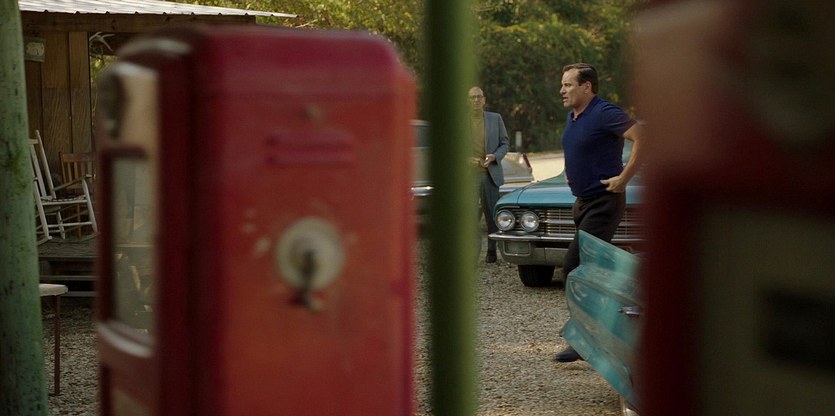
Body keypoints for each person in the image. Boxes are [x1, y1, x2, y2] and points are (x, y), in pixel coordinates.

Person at [554, 63, 642, 362]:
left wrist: (624, 178)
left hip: (604, 202)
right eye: (562, 84)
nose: (562, 90)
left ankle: (584, 338)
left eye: (568, 84)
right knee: (596, 270)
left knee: (574, 265)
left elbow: (642, 137)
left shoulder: (604, 112)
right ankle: (616, 325)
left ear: (587, 86)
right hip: (583, 202)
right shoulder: (574, 116)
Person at [469, 86, 510, 264]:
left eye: (479, 97)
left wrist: (495, 156)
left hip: (490, 174)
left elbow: (505, 143)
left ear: (484, 100)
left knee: (492, 215)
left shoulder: (495, 118)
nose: (476, 100)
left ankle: (492, 251)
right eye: (472, 97)